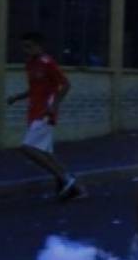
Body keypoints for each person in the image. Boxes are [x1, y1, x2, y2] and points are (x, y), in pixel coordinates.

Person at [6, 32, 85, 201]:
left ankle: (66, 179)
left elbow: (65, 85)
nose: (26, 50)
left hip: (45, 113)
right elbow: (34, 89)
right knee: (46, 153)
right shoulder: (30, 65)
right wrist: (16, 97)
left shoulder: (47, 63)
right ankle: (77, 188)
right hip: (34, 112)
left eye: (29, 46)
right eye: (24, 47)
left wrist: (54, 106)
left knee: (27, 148)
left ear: (39, 46)